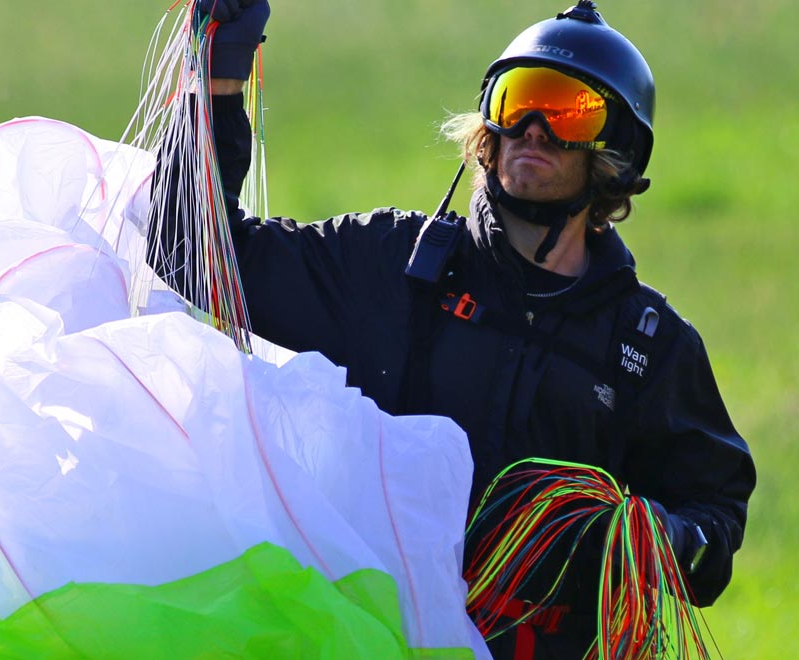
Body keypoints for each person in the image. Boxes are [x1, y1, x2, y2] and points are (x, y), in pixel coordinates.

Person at [148, 1, 756, 657]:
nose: (532, 128)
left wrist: (656, 540)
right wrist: (217, 79)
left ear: (617, 151)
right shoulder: (390, 267)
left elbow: (714, 513)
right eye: (516, 100)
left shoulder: (648, 347)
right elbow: (194, 249)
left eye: (566, 109)